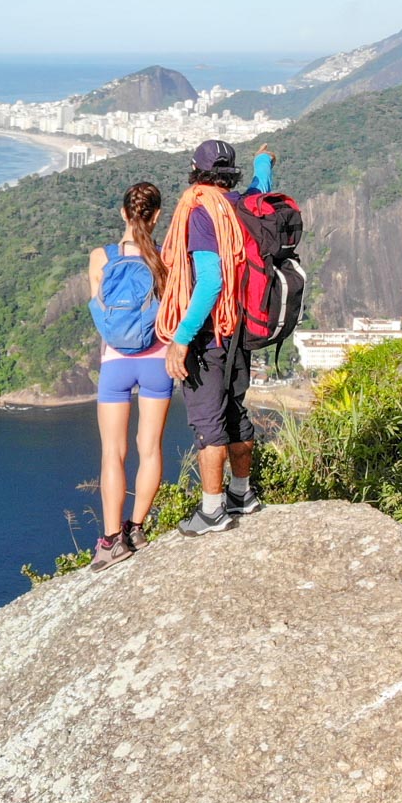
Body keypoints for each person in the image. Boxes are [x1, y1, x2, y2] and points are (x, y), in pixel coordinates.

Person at [157, 140, 276, 536]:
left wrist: (181, 338)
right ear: (231, 173)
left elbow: (210, 282)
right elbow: (262, 187)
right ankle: (242, 494)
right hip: (240, 327)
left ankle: (212, 512)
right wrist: (263, 161)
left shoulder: (201, 213)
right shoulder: (242, 204)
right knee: (236, 412)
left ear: (195, 170)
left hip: (210, 337)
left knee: (209, 424)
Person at [86, 182, 172, 571]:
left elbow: (101, 313)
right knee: (149, 448)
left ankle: (109, 542)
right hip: (157, 360)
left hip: (115, 364)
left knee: (112, 453)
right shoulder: (166, 257)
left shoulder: (100, 258)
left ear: (123, 214)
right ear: (156, 217)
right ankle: (136, 528)